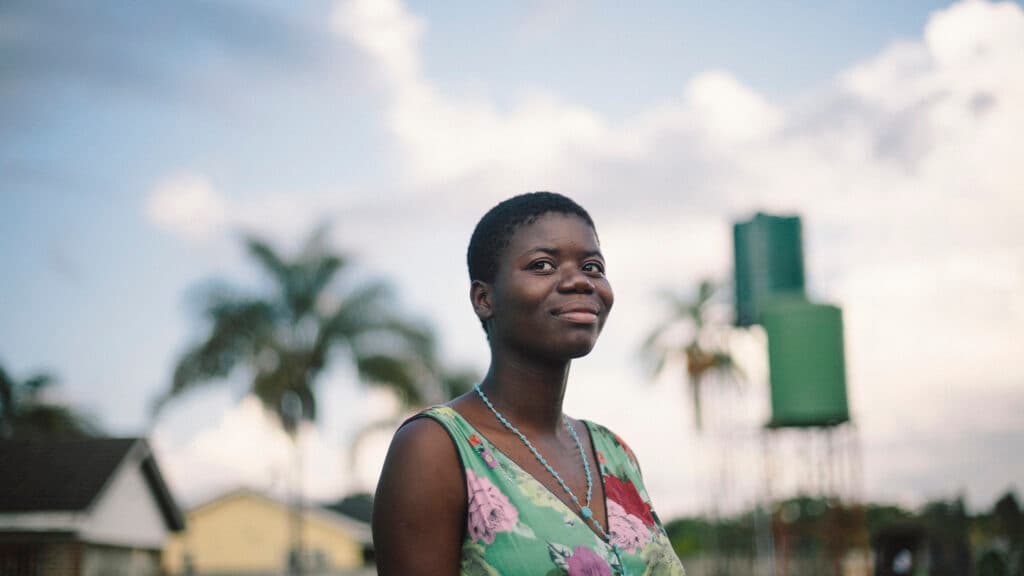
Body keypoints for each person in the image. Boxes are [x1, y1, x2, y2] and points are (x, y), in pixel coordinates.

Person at [373, 192, 685, 575]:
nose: (580, 282)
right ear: (484, 299)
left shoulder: (615, 455)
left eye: (592, 266)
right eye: (543, 265)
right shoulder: (436, 449)